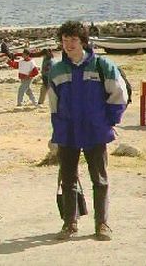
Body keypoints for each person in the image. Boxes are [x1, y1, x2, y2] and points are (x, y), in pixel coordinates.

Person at [48, 20, 128, 241]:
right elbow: (53, 105)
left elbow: (119, 94)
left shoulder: (102, 66)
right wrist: (56, 133)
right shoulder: (56, 70)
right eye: (64, 40)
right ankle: (69, 224)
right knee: (68, 179)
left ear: (83, 41)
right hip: (68, 133)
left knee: (99, 180)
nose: (69, 44)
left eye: (73, 40)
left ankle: (102, 224)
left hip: (95, 131)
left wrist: (108, 122)